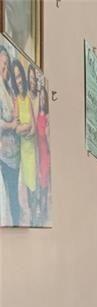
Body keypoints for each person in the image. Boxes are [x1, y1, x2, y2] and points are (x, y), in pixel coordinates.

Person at [10, 58, 36, 225]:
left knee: (33, 183)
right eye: (16, 77)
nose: (19, 80)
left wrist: (26, 128)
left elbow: (32, 126)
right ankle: (28, 214)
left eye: (20, 76)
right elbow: (16, 127)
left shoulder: (27, 99)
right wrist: (25, 128)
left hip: (31, 149)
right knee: (25, 184)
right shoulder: (16, 101)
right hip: (22, 150)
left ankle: (33, 214)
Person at [0, 46, 20, 225]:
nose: (3, 70)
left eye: (5, 65)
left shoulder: (9, 92)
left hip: (13, 155)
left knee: (14, 199)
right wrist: (11, 125)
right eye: (1, 65)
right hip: (3, 154)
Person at [35, 76, 49, 223]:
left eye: (44, 99)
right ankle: (39, 207)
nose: (42, 101)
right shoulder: (37, 114)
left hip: (44, 152)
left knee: (43, 180)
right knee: (37, 179)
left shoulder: (47, 117)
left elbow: (47, 137)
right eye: (41, 98)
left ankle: (43, 209)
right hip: (36, 150)